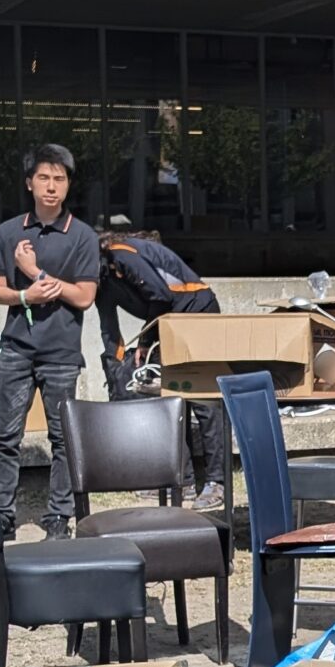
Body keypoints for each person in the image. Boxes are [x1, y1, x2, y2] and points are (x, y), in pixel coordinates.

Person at [0, 144, 99, 541]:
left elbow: (84, 296)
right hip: (16, 346)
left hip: (62, 353)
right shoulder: (9, 231)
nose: (52, 187)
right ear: (30, 183)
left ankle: (58, 517)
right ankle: (1, 514)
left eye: (60, 179)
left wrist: (32, 272)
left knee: (62, 439)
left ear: (68, 186)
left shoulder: (82, 236)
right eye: (44, 178)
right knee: (6, 436)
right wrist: (23, 297)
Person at [95, 216, 229, 511]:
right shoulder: (100, 283)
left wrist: (144, 341)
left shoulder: (121, 252)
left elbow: (161, 294)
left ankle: (217, 481)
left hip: (197, 312)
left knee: (203, 400)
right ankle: (182, 481)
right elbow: (109, 330)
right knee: (171, 400)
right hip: (167, 321)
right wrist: (118, 368)